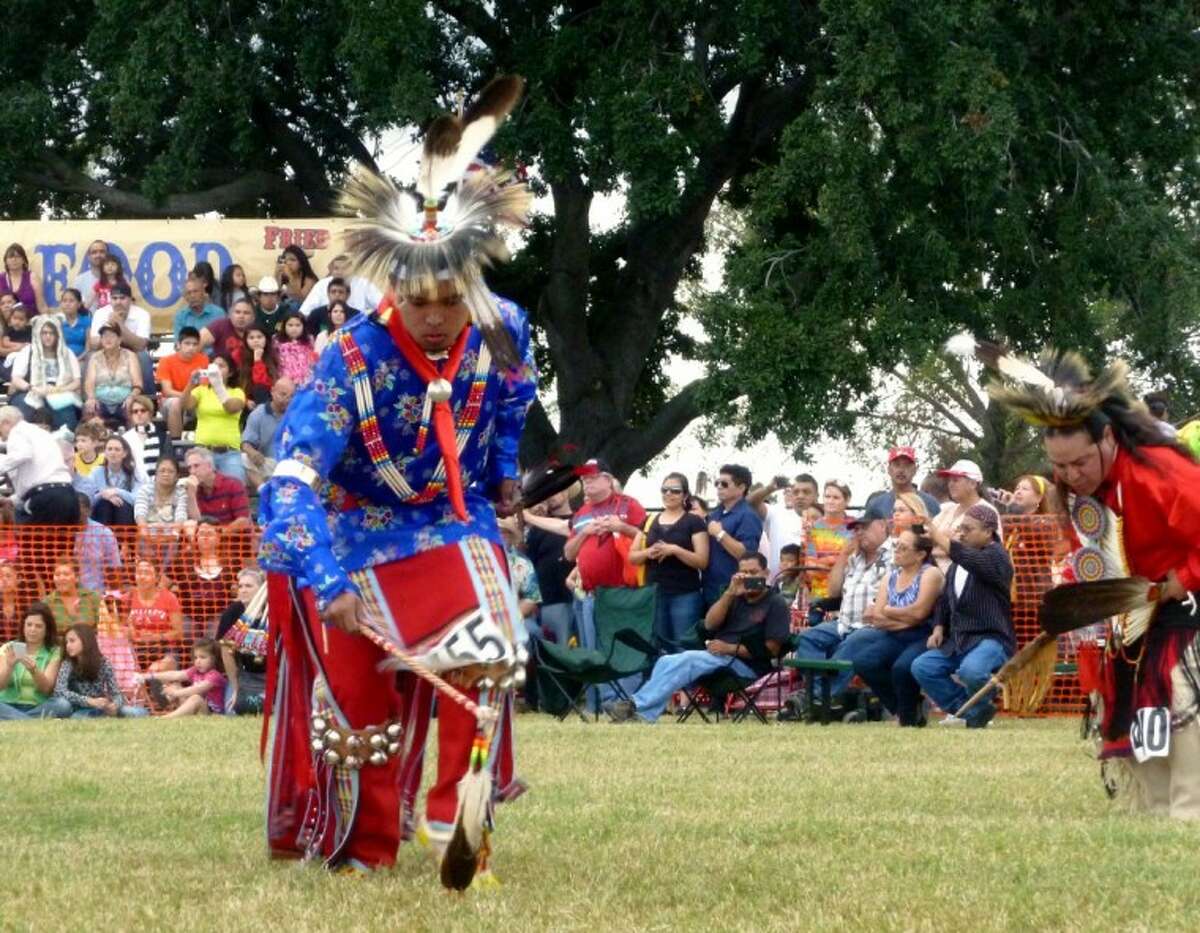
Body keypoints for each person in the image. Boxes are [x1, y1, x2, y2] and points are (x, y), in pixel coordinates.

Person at [258, 89, 535, 882]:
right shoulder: (349, 359)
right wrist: (324, 576)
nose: (439, 315)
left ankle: (456, 811)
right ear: (395, 288)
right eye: (421, 301)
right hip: (349, 533)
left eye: (452, 298)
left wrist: (505, 473)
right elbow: (291, 481)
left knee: (493, 645)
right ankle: (361, 845)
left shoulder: (502, 327)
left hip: (450, 517)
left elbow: (515, 395)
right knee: (359, 720)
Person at [987, 347, 1200, 817]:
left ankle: (1190, 814)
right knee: (1136, 701)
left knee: (1181, 698)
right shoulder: (1088, 490)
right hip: (1139, 609)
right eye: (1058, 467)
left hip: (1184, 603)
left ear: (1107, 441)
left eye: (1078, 464)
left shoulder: (1159, 474)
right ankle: (1155, 812)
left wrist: (1181, 580)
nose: (1069, 477)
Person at [608, 552, 790, 723]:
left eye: (753, 572)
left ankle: (634, 706)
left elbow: (771, 650)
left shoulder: (775, 603)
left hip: (748, 667)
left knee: (689, 658)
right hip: (719, 658)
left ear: (766, 573)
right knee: (665, 661)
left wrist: (729, 648)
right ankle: (644, 715)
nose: (748, 577)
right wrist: (729, 594)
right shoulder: (734, 595)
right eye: (743, 572)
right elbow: (710, 624)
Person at [910, 504, 1015, 728]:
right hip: (960, 639)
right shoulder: (958, 564)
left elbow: (968, 558)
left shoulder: (997, 557)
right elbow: (946, 600)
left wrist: (937, 535)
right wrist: (938, 627)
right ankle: (968, 711)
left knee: (972, 671)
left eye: (968, 529)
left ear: (988, 532)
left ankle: (975, 711)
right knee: (922, 667)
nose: (962, 533)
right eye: (961, 528)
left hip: (990, 639)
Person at [563, 458, 647, 709]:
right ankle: (600, 702)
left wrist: (621, 527)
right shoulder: (581, 513)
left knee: (621, 648)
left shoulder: (629, 505)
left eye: (591, 478)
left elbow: (648, 537)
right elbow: (568, 554)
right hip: (590, 593)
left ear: (607, 480)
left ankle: (624, 701)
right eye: (583, 479)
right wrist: (584, 533)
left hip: (622, 591)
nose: (586, 483)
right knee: (594, 649)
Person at [791, 503, 895, 704]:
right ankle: (819, 695)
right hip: (843, 623)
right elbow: (833, 592)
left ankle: (819, 698)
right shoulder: (855, 558)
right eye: (856, 529)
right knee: (808, 638)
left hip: (874, 625)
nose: (859, 533)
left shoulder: (896, 554)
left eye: (864, 527)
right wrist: (844, 555)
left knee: (851, 645)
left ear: (882, 525)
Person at [850, 527, 945, 726]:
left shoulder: (931, 574)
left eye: (903, 547)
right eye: (896, 546)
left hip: (922, 635)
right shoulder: (890, 576)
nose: (897, 551)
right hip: (894, 634)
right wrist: (906, 618)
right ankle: (903, 709)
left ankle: (907, 718)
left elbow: (920, 613)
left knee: (902, 667)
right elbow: (877, 616)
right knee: (864, 662)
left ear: (920, 554)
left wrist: (890, 611)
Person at [629, 471, 708, 651]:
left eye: (675, 490)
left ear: (685, 495)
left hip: (685, 593)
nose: (668, 494)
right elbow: (632, 556)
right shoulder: (649, 520)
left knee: (684, 646)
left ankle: (687, 680)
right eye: (665, 490)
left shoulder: (694, 521)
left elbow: (702, 561)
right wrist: (649, 552)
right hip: (655, 592)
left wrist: (675, 550)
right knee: (659, 647)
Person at [0, 406, 81, 524]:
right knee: (61, 543)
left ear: (6, 422)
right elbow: (39, 475)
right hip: (68, 496)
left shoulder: (17, 431)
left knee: (32, 541)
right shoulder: (43, 434)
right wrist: (12, 500)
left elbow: (23, 454)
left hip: (47, 500)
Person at [50, 623, 148, 718]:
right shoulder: (68, 664)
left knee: (137, 712)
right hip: (77, 708)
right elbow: (60, 691)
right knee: (78, 717)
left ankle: (108, 715)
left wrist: (115, 705)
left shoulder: (104, 663)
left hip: (100, 707)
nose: (68, 645)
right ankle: (105, 717)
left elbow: (116, 693)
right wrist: (88, 701)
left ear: (86, 641)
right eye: (66, 642)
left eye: (72, 641)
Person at [702, 464, 764, 607]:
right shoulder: (715, 513)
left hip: (736, 592)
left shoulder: (748, 516)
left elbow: (747, 555)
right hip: (709, 588)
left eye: (724, 484)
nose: (719, 487)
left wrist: (720, 534)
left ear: (742, 488)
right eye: (717, 483)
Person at [521, 486, 576, 648]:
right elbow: (528, 563)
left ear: (566, 491)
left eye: (555, 489)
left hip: (576, 596)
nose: (550, 495)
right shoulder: (537, 528)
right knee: (557, 651)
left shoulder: (580, 519)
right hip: (549, 600)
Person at [8, 316, 82, 430]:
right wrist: (32, 388)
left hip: (59, 391)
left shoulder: (67, 352)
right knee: (25, 409)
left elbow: (77, 381)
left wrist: (58, 390)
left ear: (57, 335)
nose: (48, 336)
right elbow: (16, 378)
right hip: (31, 390)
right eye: (44, 333)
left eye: (52, 333)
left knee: (66, 418)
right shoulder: (28, 351)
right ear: (38, 333)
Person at [181, 353, 247, 481]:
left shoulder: (237, 392)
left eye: (221, 366)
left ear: (230, 372)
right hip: (203, 451)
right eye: (214, 366)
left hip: (229, 453)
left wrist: (218, 385)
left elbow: (231, 407)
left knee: (236, 487)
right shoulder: (201, 390)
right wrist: (190, 383)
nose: (216, 369)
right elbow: (185, 405)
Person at [929, 460, 1000, 571]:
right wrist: (946, 537)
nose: (950, 484)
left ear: (973, 484)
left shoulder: (986, 511)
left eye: (956, 480)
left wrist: (936, 536)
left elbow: (980, 553)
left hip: (964, 577)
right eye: (949, 481)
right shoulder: (946, 508)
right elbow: (922, 536)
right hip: (934, 573)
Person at [216, 567, 268, 715]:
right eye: (240, 586)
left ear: (262, 589)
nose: (243, 590)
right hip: (245, 676)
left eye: (249, 586)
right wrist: (236, 687)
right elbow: (226, 652)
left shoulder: (272, 611)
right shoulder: (232, 612)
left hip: (272, 676)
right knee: (233, 711)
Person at [0, 603, 65, 719]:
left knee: (63, 705)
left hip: (38, 706)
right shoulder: (8, 648)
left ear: (47, 629)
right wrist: (9, 667)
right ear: (23, 626)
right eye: (29, 625)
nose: (32, 630)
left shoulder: (54, 651)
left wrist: (34, 670)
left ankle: (16, 719)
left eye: (38, 626)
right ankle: (30, 720)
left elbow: (46, 689)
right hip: (7, 704)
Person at [140, 637, 227, 717]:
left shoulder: (215, 676)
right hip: (198, 710)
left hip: (213, 714)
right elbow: (175, 675)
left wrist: (175, 693)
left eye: (202, 657)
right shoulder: (195, 670)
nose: (198, 661)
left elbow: (197, 689)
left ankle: (166, 718)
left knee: (195, 698)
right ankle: (169, 703)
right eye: (196, 657)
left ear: (214, 659)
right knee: (176, 686)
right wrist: (149, 676)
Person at [804, 480, 854, 619]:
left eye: (836, 497)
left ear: (847, 500)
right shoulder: (815, 528)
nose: (830, 501)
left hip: (845, 595)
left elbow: (852, 563)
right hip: (819, 595)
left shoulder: (855, 527)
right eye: (827, 497)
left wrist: (826, 562)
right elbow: (810, 566)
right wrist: (836, 560)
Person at [125, 557, 185, 672]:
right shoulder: (127, 598)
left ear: (157, 577)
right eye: (139, 573)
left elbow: (178, 633)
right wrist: (131, 632)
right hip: (136, 649)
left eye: (147, 573)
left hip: (165, 649)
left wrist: (157, 637)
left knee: (155, 670)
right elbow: (121, 628)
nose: (142, 577)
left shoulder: (169, 598)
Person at [241, 376, 294, 493]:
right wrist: (253, 452)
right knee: (244, 458)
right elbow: (245, 444)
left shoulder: (297, 415)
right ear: (272, 391)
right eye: (283, 395)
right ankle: (263, 490)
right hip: (268, 464)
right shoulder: (259, 413)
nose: (287, 400)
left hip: (291, 465)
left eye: (291, 397)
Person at [156, 326, 210, 439]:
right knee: (176, 403)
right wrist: (187, 397)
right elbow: (167, 391)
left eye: (195, 344)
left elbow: (204, 388)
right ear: (179, 344)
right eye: (187, 343)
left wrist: (192, 399)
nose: (191, 347)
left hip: (195, 399)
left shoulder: (204, 360)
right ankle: (176, 444)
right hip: (171, 401)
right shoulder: (166, 361)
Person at [746, 473, 806, 576]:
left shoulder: (814, 514)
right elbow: (750, 503)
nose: (789, 494)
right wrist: (769, 488)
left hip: (804, 581)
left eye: (794, 491)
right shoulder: (775, 511)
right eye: (786, 491)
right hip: (776, 581)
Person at [83, 322, 142, 425]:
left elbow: (138, 384)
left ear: (119, 339)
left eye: (112, 335)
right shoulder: (95, 358)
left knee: (134, 408)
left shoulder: (130, 356)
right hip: (100, 401)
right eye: (104, 336)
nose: (107, 339)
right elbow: (89, 383)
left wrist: (131, 397)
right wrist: (91, 398)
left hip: (124, 401)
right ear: (101, 340)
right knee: (89, 408)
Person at [82, 434, 145, 526]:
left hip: (126, 516)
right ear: (105, 452)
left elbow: (138, 499)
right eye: (110, 449)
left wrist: (117, 492)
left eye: (117, 449)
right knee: (104, 504)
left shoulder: (134, 472)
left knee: (122, 505)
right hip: (101, 514)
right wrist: (102, 495)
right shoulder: (96, 472)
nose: (113, 453)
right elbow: (88, 500)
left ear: (125, 453)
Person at [864, 446, 943, 518]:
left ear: (914, 470)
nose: (901, 470)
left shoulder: (930, 503)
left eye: (907, 465)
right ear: (889, 470)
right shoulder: (877, 505)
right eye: (897, 465)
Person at [183, 446, 250, 529]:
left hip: (231, 539)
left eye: (196, 466)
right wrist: (191, 496)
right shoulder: (192, 489)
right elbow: (195, 525)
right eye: (189, 468)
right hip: (204, 539)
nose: (192, 472)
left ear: (210, 466)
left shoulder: (233, 485)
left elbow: (243, 521)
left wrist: (218, 534)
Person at [299, 255, 383, 322]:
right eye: (336, 268)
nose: (340, 272)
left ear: (352, 269)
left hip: (356, 326)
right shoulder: (322, 284)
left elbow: (381, 304)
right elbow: (305, 311)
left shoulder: (364, 284)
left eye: (345, 268)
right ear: (331, 270)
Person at [74, 493, 122, 593]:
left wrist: (113, 595)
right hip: (67, 594)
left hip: (96, 594)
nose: (76, 515)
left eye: (80, 512)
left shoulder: (104, 533)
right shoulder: (61, 531)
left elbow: (113, 569)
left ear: (89, 511)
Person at [42, 556, 103, 632]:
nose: (61, 578)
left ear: (77, 578)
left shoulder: (92, 598)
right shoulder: (47, 603)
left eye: (66, 574)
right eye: (57, 575)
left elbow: (104, 629)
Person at [122, 395, 170, 480]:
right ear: (131, 415)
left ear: (150, 413)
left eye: (143, 410)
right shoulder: (125, 438)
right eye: (135, 411)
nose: (139, 414)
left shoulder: (162, 436)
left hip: (158, 484)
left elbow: (167, 463)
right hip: (134, 485)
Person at [199, 296, 255, 366]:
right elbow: (197, 342)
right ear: (231, 314)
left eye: (246, 313)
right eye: (237, 312)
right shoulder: (220, 325)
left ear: (253, 317)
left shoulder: (257, 331)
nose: (241, 316)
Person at [172, 275, 225, 342]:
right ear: (185, 297)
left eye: (195, 291)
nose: (192, 296)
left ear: (203, 292)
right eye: (189, 293)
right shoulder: (180, 316)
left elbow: (224, 341)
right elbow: (178, 344)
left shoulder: (218, 313)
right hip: (190, 352)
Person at [239, 323, 280, 408]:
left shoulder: (273, 356)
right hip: (245, 400)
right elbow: (235, 386)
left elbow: (263, 384)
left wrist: (258, 361)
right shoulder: (239, 356)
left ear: (266, 339)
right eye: (251, 338)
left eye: (259, 337)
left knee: (260, 390)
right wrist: (245, 400)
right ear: (245, 341)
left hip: (266, 398)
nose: (256, 340)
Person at [274, 309, 317, 386]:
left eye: (298, 325)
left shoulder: (309, 340)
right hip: (285, 379)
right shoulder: (277, 341)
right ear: (284, 326)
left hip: (305, 380)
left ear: (303, 326)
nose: (294, 328)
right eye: (290, 325)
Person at [0, 243, 43, 316]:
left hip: (30, 322)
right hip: (6, 324)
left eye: (18, 256)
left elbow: (41, 305)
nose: (14, 260)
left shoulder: (32, 277)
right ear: (6, 261)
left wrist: (48, 320)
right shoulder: (1, 279)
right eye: (11, 257)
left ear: (23, 260)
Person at [54, 286, 92, 357]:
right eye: (64, 301)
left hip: (82, 359)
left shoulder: (86, 321)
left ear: (79, 304)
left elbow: (88, 348)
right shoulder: (58, 321)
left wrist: (77, 360)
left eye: (71, 301)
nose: (67, 304)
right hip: (62, 359)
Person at [72, 239, 109, 310]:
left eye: (102, 252)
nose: (98, 255)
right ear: (89, 256)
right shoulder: (79, 280)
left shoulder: (119, 278)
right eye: (94, 252)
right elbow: (75, 307)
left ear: (107, 255)